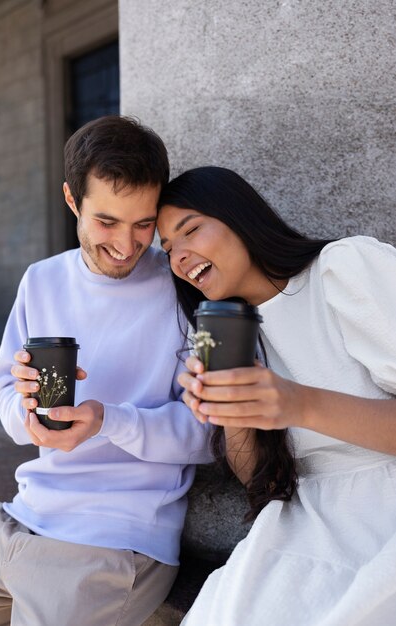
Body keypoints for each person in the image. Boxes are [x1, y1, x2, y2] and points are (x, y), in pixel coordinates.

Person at [0, 116, 212, 626]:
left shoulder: (185, 289)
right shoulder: (41, 280)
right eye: (107, 222)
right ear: (72, 201)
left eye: (143, 224)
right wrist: (28, 412)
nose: (127, 246)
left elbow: (208, 435)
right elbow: (5, 396)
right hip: (18, 519)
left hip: (113, 540)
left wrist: (109, 420)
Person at [156, 165, 396, 625]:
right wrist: (229, 409)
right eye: (168, 249)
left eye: (190, 232)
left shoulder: (341, 269)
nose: (179, 257)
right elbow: (258, 483)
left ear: (239, 216)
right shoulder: (228, 333)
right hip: (308, 521)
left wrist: (297, 402)